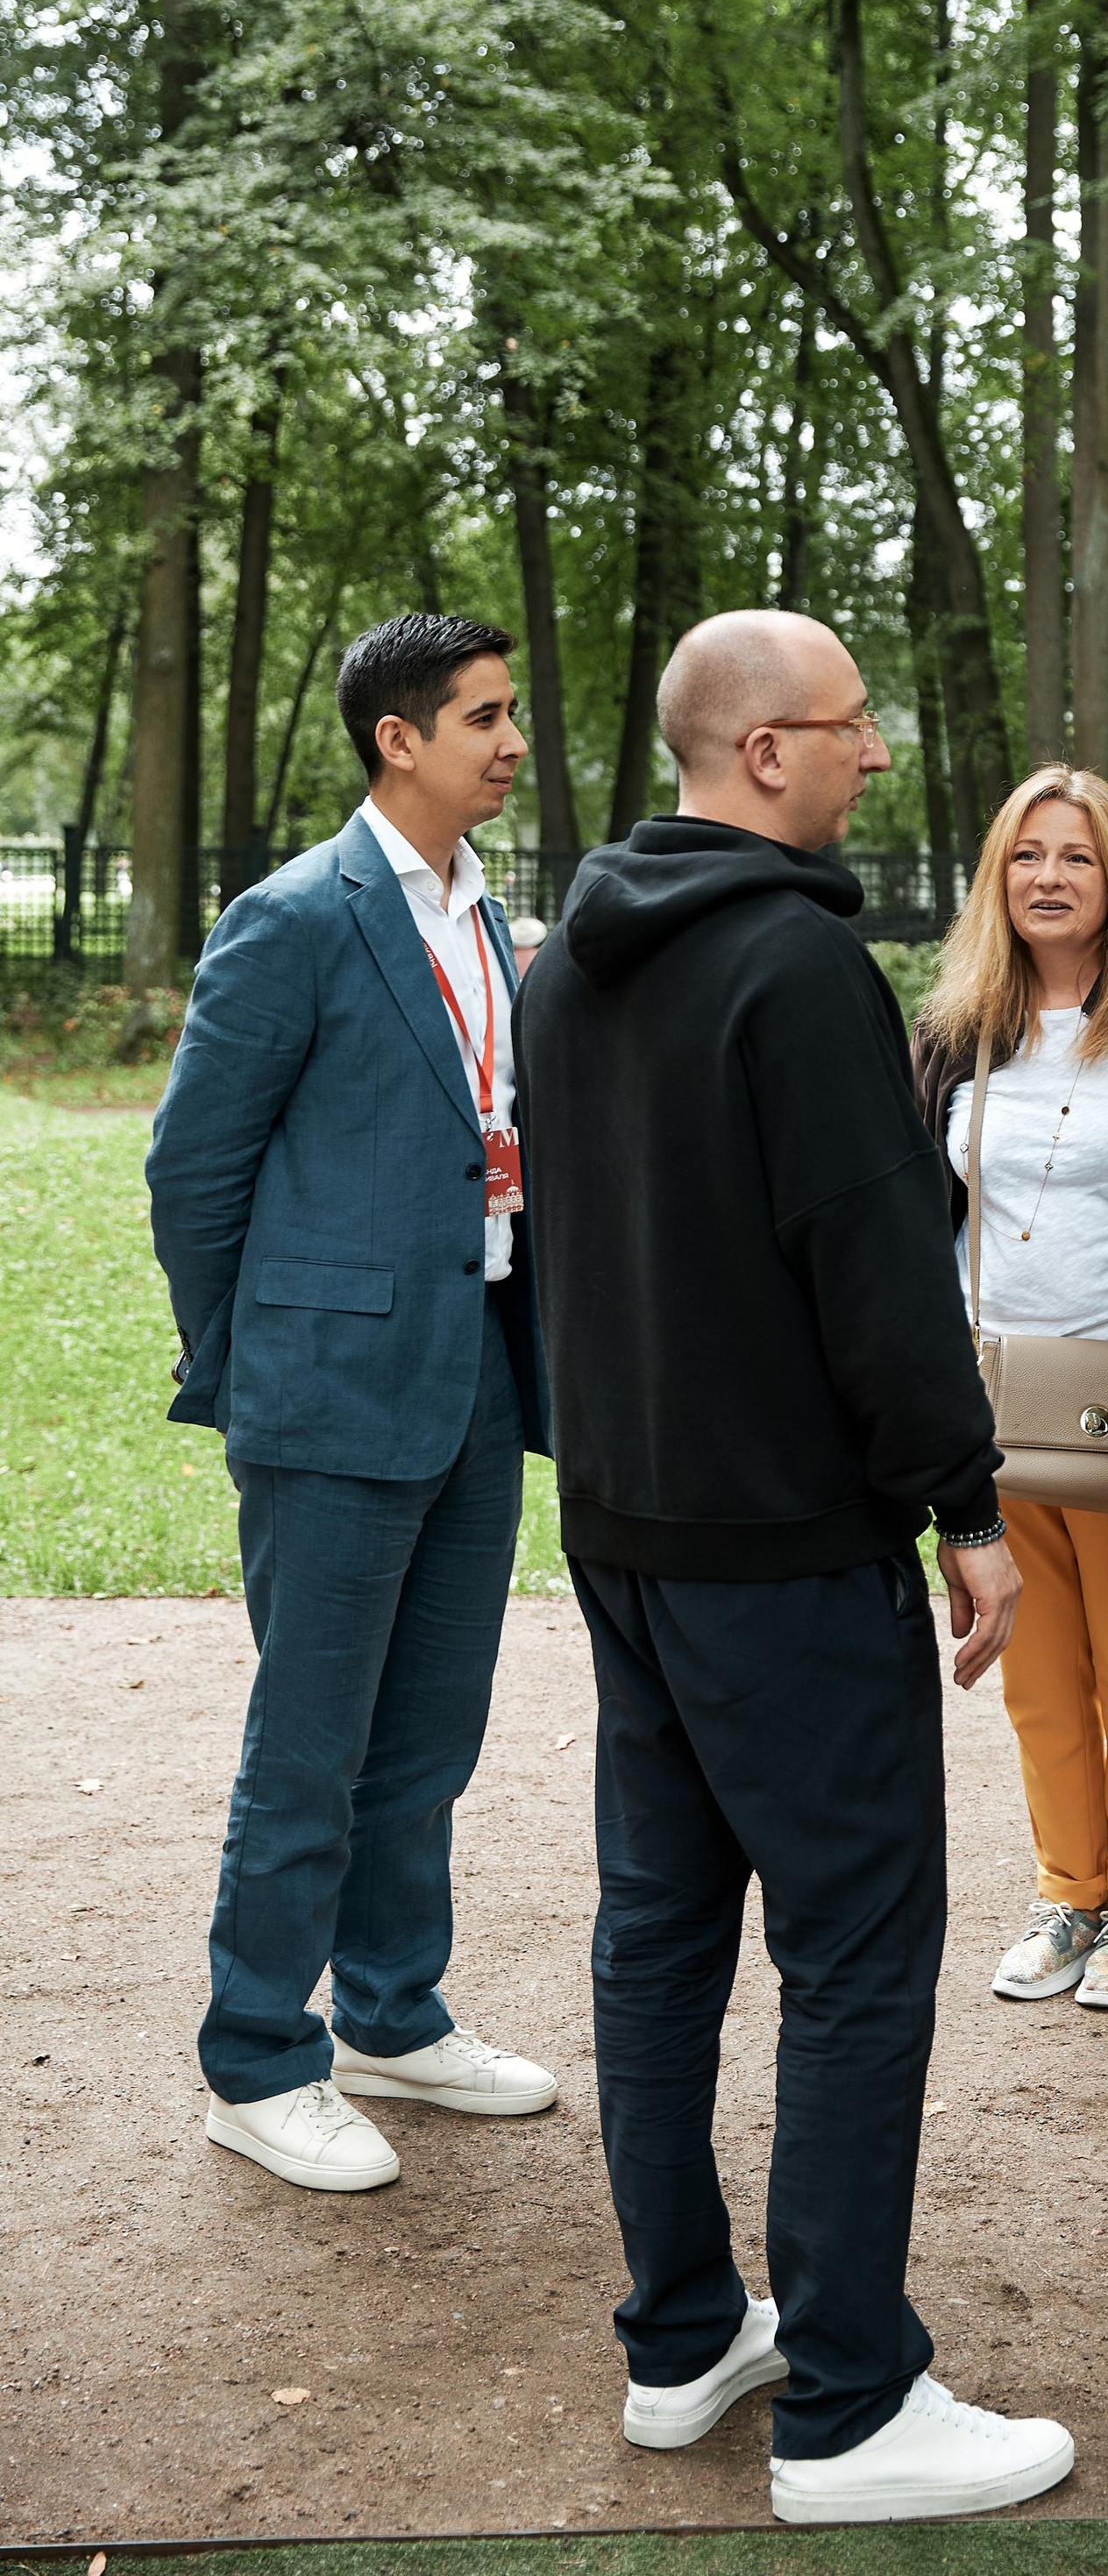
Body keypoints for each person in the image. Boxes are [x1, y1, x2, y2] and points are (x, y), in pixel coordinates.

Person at [513, 607, 1074, 2524]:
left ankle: (683, 2343)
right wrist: (967, 1507)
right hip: (780, 1551)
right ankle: (845, 2400)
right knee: (853, 1956)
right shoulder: (800, 969)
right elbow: (878, 1267)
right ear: (760, 752)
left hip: (627, 1532)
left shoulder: (561, 969)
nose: (873, 756)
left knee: (656, 1937)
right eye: (847, 729)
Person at [147, 613, 558, 2196]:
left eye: (507, 714)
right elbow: (194, 1166)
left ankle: (390, 2011)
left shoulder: (485, 911)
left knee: (430, 1729)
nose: (510, 742)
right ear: (400, 739)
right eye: (484, 717)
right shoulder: (294, 917)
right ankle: (257, 2057)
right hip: (328, 1390)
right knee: (308, 1742)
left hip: (474, 1375)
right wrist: (253, 1354)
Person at [910, 766, 1108, 2012]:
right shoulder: (955, 1035)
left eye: (1076, 857)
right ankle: (1068, 1893)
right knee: (1032, 1672)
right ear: (997, 877)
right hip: (992, 1402)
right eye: (1026, 856)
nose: (1049, 879)